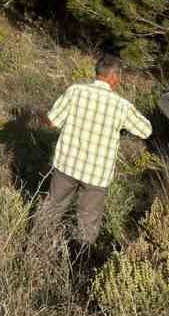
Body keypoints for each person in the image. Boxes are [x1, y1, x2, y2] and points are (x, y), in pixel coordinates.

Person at [35, 51, 151, 251]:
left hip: (67, 165)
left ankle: (37, 248)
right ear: (113, 77)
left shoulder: (75, 91)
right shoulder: (121, 106)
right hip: (96, 175)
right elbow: (146, 130)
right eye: (119, 77)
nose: (119, 81)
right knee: (88, 222)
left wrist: (40, 116)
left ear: (98, 72)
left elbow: (52, 122)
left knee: (52, 208)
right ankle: (79, 259)